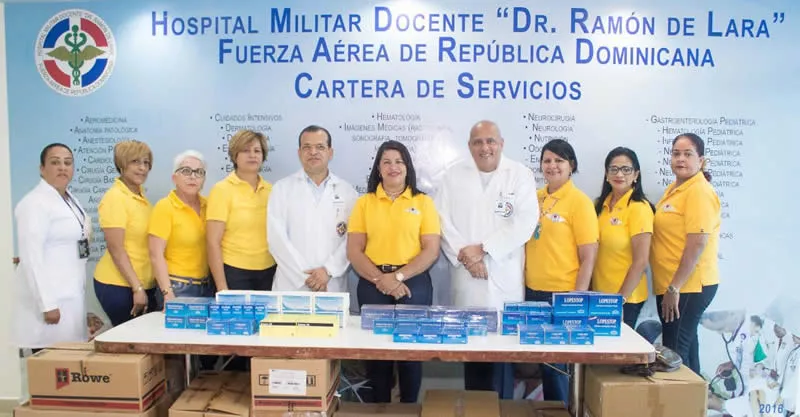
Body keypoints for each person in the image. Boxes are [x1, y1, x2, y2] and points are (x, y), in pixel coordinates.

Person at [434, 120, 539, 398]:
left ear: (501, 144)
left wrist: (484, 249)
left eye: (490, 141)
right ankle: (474, 408)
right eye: (478, 142)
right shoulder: (452, 176)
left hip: (504, 276)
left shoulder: (520, 174)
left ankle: (502, 407)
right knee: (472, 354)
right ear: (469, 146)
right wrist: (468, 258)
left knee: (503, 356)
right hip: (467, 276)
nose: (485, 147)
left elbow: (526, 222)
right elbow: (441, 222)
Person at [347, 140, 441, 403]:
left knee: (410, 353)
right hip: (373, 280)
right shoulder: (364, 203)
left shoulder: (423, 202)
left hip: (413, 281)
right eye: (386, 162)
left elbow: (431, 250)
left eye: (399, 161)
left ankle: (409, 407)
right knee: (378, 355)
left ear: (407, 167)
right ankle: (380, 408)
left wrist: (398, 278)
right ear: (378, 168)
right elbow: (355, 251)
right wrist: (383, 280)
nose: (393, 167)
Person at [524, 139, 598, 405]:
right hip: (532, 291)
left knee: (557, 368)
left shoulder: (580, 202)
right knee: (541, 362)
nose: (552, 166)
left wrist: (576, 298)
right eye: (547, 160)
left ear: (571, 166)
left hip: (562, 295)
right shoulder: (536, 197)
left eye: (559, 160)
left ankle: (563, 411)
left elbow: (589, 256)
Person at [651, 133, 720, 375]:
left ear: (701, 160)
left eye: (687, 154)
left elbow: (697, 244)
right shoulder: (677, 188)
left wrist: (674, 288)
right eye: (676, 153)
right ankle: (695, 405)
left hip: (688, 286)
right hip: (675, 284)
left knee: (674, 352)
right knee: (686, 350)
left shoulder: (699, 191)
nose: (680, 159)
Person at [14, 144, 92, 351]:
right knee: (47, 370)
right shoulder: (34, 203)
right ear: (42, 168)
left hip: (70, 298)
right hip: (49, 306)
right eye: (55, 162)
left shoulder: (69, 199)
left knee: (67, 363)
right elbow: (31, 257)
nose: (62, 168)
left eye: (67, 163)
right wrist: (47, 305)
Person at [268, 125, 358, 293]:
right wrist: (306, 277)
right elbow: (276, 239)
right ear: (299, 153)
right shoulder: (281, 189)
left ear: (330, 152)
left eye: (320, 147)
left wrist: (328, 271)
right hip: (292, 286)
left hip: (331, 284)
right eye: (307, 147)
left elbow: (352, 239)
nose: (313, 152)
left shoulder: (347, 192)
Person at [93, 140, 158, 326]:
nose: (142, 168)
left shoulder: (139, 197)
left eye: (146, 163)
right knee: (130, 349)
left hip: (141, 285)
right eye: (135, 162)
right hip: (120, 286)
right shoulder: (115, 198)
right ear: (121, 163)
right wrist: (136, 287)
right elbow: (116, 249)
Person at [207, 129, 276, 292]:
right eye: (245, 151)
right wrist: (222, 286)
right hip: (233, 272)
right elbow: (212, 242)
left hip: (269, 272)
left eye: (257, 151)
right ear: (234, 156)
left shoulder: (272, 190)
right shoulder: (222, 190)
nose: (252, 155)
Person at [592, 147, 654, 329]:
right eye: (614, 169)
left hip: (625, 299)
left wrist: (619, 302)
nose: (619, 174)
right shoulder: (598, 206)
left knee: (618, 354)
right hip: (599, 295)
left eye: (626, 169)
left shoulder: (639, 208)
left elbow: (641, 262)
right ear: (606, 174)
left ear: (636, 175)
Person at [148, 150, 213, 301]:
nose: (193, 176)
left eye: (199, 172)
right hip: (177, 287)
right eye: (186, 171)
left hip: (207, 286)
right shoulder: (165, 207)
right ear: (174, 177)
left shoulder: (208, 205)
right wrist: (167, 293)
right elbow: (156, 255)